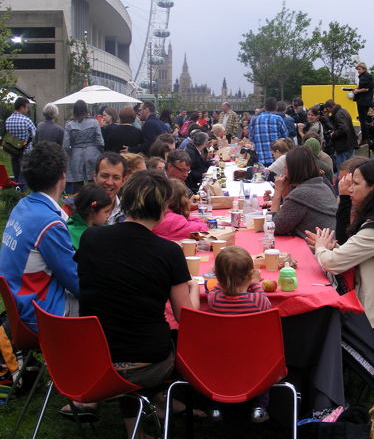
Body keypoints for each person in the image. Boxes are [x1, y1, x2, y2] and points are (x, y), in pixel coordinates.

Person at [75, 171, 200, 439]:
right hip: (146, 363)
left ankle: (140, 422)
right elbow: (187, 317)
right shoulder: (169, 252)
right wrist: (194, 288)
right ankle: (163, 399)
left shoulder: (91, 238)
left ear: (126, 200)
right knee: (172, 337)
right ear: (163, 209)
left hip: (92, 356)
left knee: (122, 323)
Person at [306, 159, 374, 340]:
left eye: (356, 184)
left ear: (373, 188)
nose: (350, 189)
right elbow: (356, 251)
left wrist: (321, 248)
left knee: (317, 321)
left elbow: (332, 263)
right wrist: (333, 248)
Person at [0, 142, 79, 331]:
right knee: (107, 303)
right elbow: (76, 280)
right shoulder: (49, 223)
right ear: (62, 175)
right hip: (40, 313)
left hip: (19, 302)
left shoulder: (23, 206)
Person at [207, 246, 272, 423]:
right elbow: (265, 301)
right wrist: (256, 283)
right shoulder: (258, 300)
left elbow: (213, 289)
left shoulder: (214, 299)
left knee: (218, 370)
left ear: (217, 277)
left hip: (221, 359)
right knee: (263, 365)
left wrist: (223, 278)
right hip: (255, 359)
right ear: (250, 275)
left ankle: (216, 406)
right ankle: (259, 406)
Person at [270, 146, 337, 238]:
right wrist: (284, 190)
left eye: (286, 168)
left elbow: (274, 227)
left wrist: (277, 192)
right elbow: (287, 216)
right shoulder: (322, 186)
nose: (284, 173)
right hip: (327, 245)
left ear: (294, 170)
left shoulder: (302, 193)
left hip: (313, 249)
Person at [63, 99, 104, 193]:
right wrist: (99, 151)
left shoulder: (69, 124)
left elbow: (65, 145)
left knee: (77, 182)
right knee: (93, 180)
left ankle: (79, 204)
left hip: (76, 154)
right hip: (93, 153)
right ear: (86, 109)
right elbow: (100, 141)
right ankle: (93, 202)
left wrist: (71, 153)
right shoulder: (94, 122)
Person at [67, 183, 112, 250]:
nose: (109, 215)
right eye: (106, 211)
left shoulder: (105, 227)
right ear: (92, 211)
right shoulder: (70, 233)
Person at [249, 97, 288, 166]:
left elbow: (251, 138)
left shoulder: (254, 119)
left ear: (264, 107)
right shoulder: (278, 119)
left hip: (260, 158)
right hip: (276, 159)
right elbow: (285, 137)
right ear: (276, 107)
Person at [5, 96, 36, 183]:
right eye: (27, 107)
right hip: (25, 151)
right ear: (22, 107)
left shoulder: (8, 120)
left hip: (13, 150)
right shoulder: (26, 120)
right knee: (24, 175)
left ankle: (16, 190)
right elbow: (34, 134)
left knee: (16, 173)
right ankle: (22, 192)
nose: (27, 110)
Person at [93, 152, 127, 224]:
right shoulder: (74, 208)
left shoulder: (129, 211)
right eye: (105, 176)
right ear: (95, 176)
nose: (109, 182)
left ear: (123, 181)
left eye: (116, 178)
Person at [324, 99, 358, 171]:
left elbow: (343, 128)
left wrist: (333, 134)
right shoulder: (343, 111)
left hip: (343, 146)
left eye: (327, 109)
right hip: (349, 144)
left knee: (341, 169)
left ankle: (340, 182)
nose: (328, 111)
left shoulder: (338, 114)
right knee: (347, 168)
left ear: (329, 107)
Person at [353, 62, 374, 144]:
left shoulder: (365, 76)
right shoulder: (366, 76)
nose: (358, 71)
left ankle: (365, 138)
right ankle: (365, 138)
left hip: (363, 101)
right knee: (363, 120)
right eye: (357, 69)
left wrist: (357, 91)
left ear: (364, 69)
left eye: (359, 69)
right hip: (366, 101)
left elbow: (366, 88)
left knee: (363, 120)